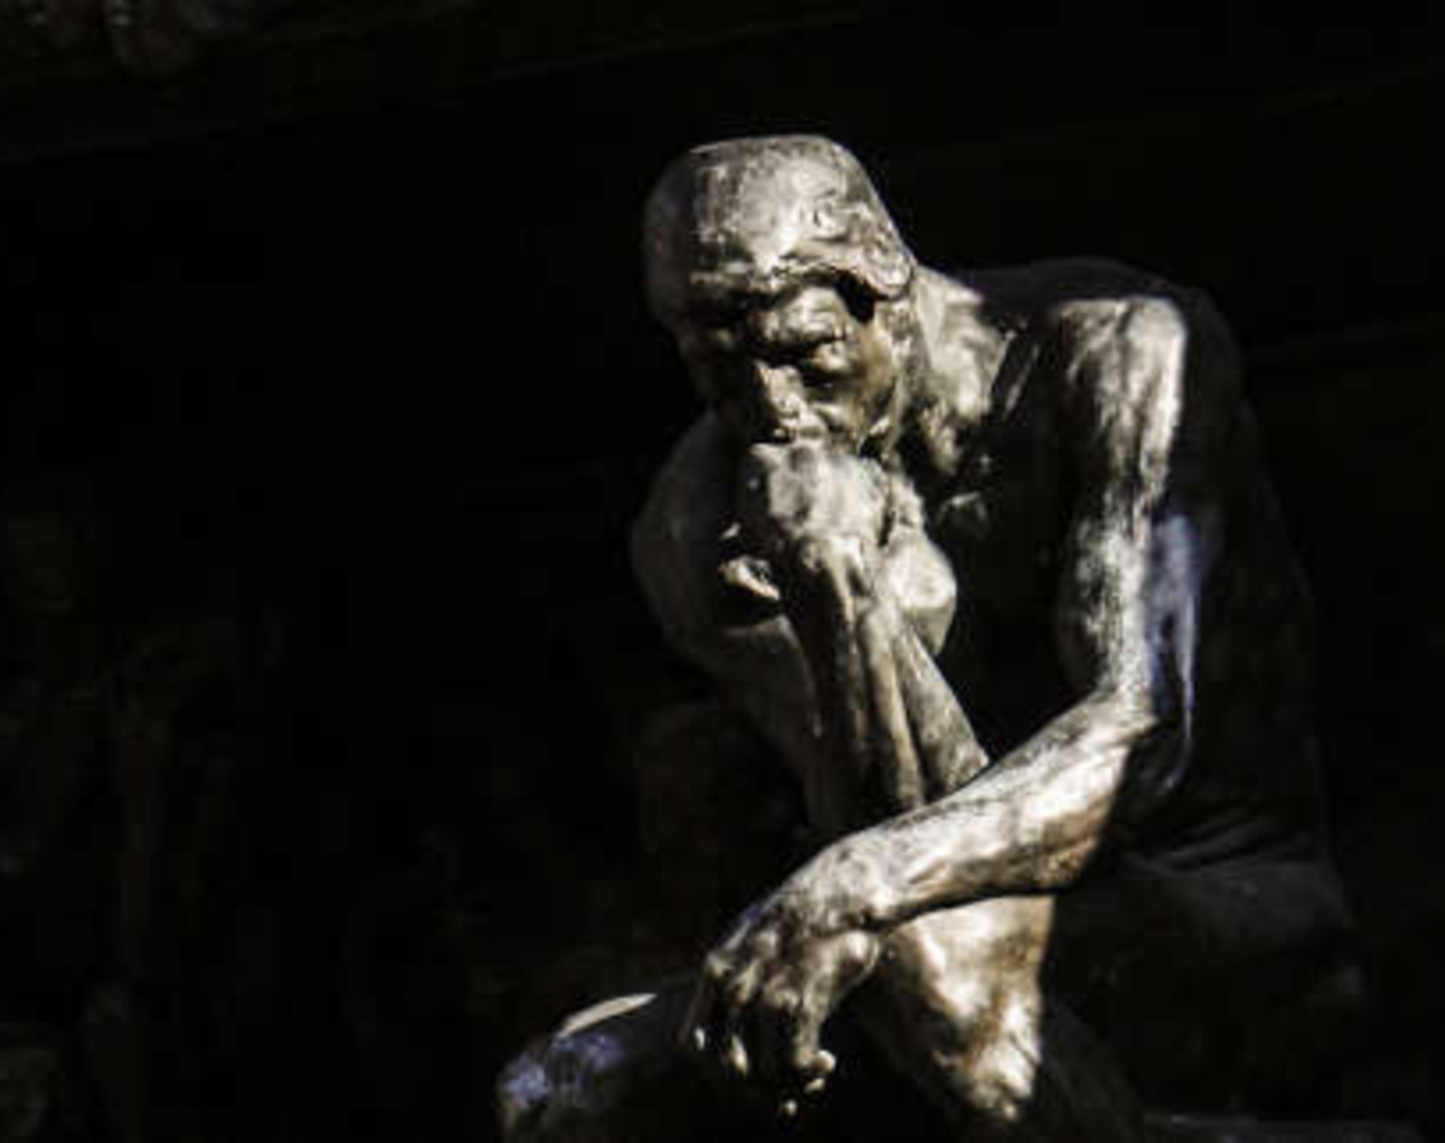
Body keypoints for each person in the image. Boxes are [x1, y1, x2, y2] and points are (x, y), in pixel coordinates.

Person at [502, 135, 1359, 1142]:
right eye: (723, 375)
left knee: (913, 952)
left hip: (1224, 908)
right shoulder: (698, 520)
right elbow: (896, 812)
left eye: (807, 351)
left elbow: (1142, 737)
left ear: (886, 276)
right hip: (931, 930)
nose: (777, 411)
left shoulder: (1121, 351)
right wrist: (837, 593)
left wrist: (851, 886)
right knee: (564, 1089)